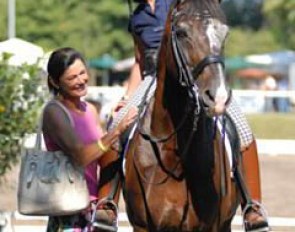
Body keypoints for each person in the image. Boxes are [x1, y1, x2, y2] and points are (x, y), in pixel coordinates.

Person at [105, 0, 269, 232]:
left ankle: (253, 207)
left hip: (194, 73)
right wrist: (127, 96)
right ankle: (107, 204)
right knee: (116, 123)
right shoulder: (138, 14)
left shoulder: (177, 3)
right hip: (153, 79)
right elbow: (140, 61)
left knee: (241, 128)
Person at [43, 47, 137, 232]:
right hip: (68, 210)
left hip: (94, 208)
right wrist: (115, 132)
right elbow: (80, 158)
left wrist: (114, 121)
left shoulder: (90, 110)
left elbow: (102, 153)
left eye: (82, 73)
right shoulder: (54, 112)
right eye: (72, 78)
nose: (80, 81)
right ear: (55, 82)